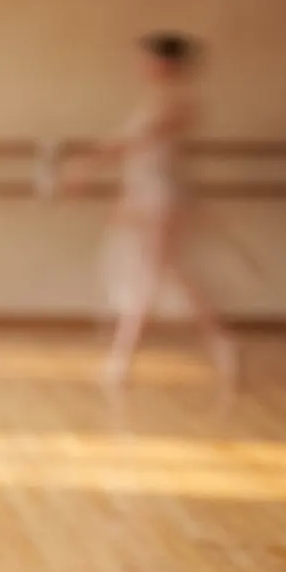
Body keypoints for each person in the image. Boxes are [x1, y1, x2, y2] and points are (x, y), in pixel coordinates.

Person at [59, 31, 238, 389]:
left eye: (146, 58)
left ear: (164, 63)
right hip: (146, 195)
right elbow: (136, 155)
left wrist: (86, 165)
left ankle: (122, 360)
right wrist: (121, 194)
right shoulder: (156, 100)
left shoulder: (178, 103)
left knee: (149, 276)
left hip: (162, 197)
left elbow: (133, 145)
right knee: (169, 273)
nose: (139, 65)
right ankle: (222, 344)